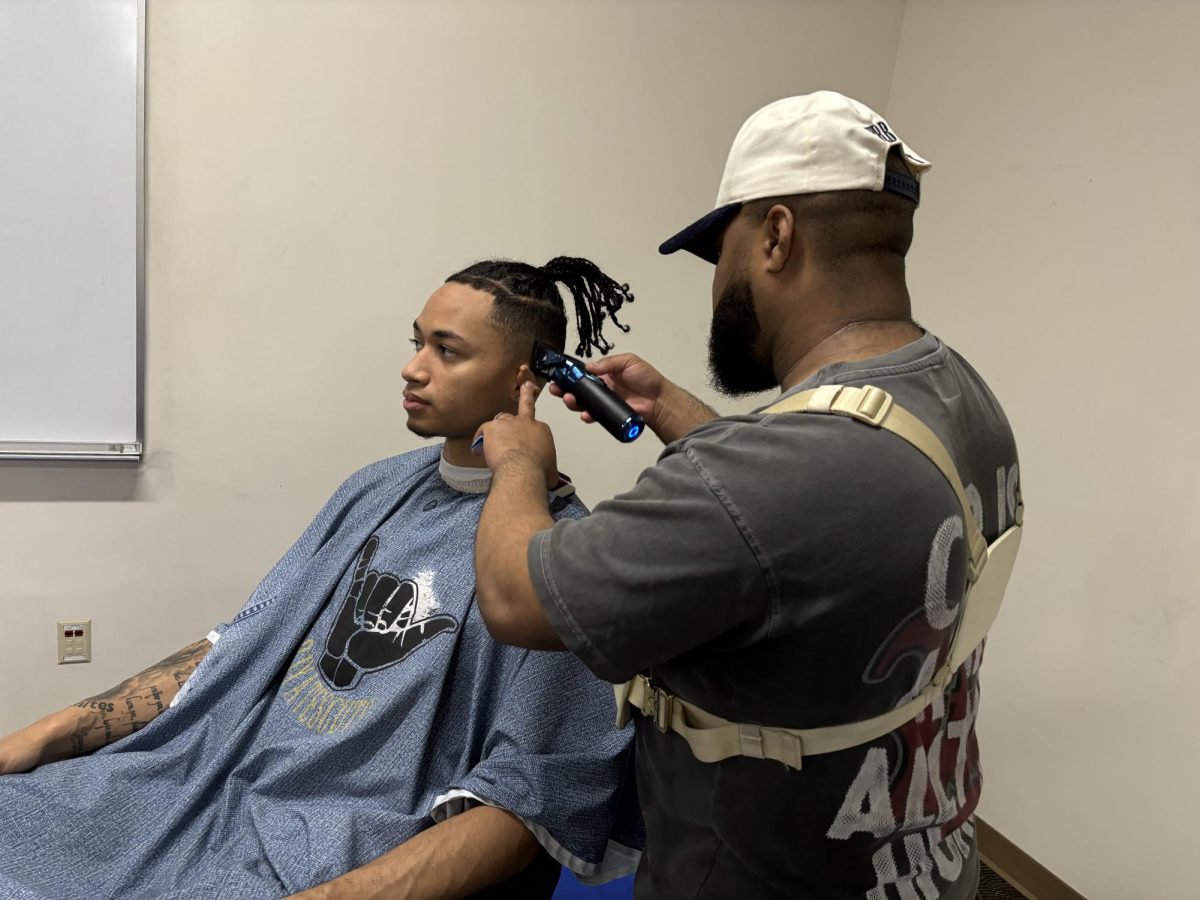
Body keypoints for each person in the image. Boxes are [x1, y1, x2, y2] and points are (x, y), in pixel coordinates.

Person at [471, 92, 1023, 899]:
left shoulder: (761, 476)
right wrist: (669, 410)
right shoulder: (957, 395)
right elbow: (804, 530)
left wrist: (519, 462)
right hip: (931, 867)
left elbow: (516, 599)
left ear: (775, 235)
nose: (717, 284)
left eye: (719, 253)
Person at [0, 257, 643, 899]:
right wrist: (39, 736)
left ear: (521, 381)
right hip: (209, 784)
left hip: (334, 849)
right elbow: (241, 645)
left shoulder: (554, 560)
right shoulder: (374, 489)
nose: (413, 366)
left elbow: (530, 803)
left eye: (448, 351)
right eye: (418, 341)